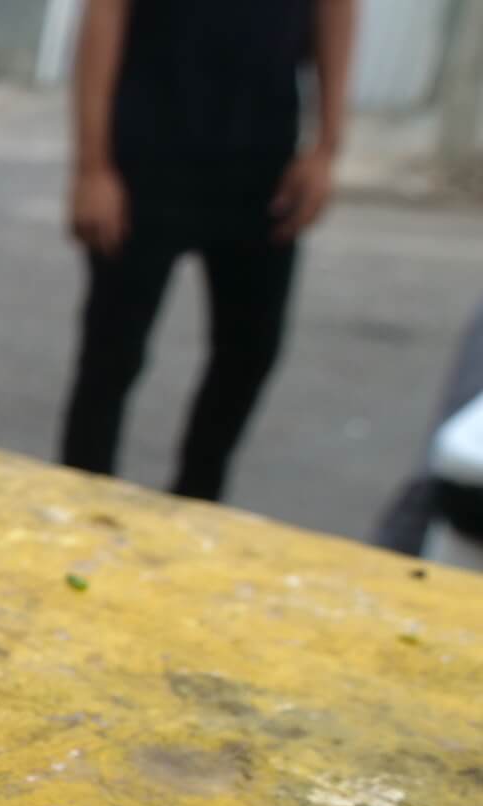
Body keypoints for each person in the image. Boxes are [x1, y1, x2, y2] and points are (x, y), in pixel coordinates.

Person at [58, 0, 356, 501]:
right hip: (145, 153)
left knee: (251, 351)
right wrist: (92, 167)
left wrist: (327, 146)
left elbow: (337, 11)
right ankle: (80, 503)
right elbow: (105, 14)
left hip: (264, 160)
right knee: (111, 355)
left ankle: (197, 498)